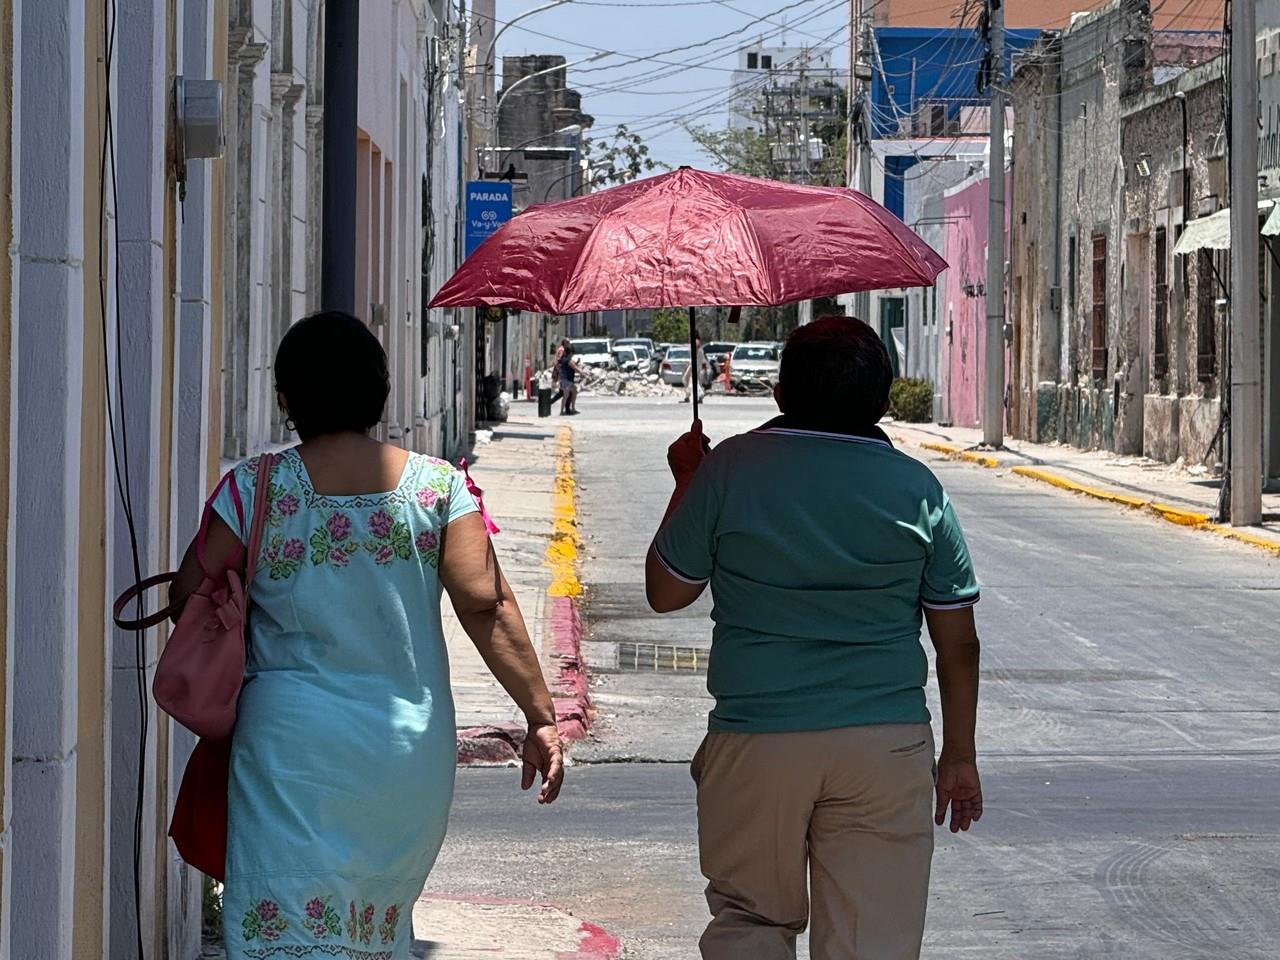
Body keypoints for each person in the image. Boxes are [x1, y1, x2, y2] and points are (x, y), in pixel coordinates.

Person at [169, 311, 564, 959]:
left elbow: (189, 593)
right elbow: (485, 604)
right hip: (403, 754)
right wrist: (538, 715)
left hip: (287, 755)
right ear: (380, 393)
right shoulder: (441, 489)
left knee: (288, 934)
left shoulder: (255, 488)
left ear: (287, 398)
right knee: (372, 934)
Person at [645, 315, 983, 960]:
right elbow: (957, 643)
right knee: (872, 938)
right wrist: (959, 754)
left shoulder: (731, 469)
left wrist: (689, 477)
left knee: (750, 923)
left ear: (779, 393)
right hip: (883, 746)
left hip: (757, 740)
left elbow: (667, 591)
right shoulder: (918, 488)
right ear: (884, 402)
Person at [680, 335, 710, 404]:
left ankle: (699, 395)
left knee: (689, 381)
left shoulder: (698, 351)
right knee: (689, 381)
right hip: (696, 367)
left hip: (695, 368)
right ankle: (689, 396)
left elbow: (702, 361)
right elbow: (703, 360)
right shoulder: (699, 351)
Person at [558, 341, 583, 415]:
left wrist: (577, 363)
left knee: (574, 391)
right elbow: (574, 367)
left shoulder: (565, 359)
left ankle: (572, 408)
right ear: (570, 353)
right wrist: (583, 373)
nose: (573, 355)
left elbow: (572, 366)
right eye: (572, 353)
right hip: (566, 380)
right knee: (566, 395)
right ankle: (562, 411)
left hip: (567, 379)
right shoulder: (567, 360)